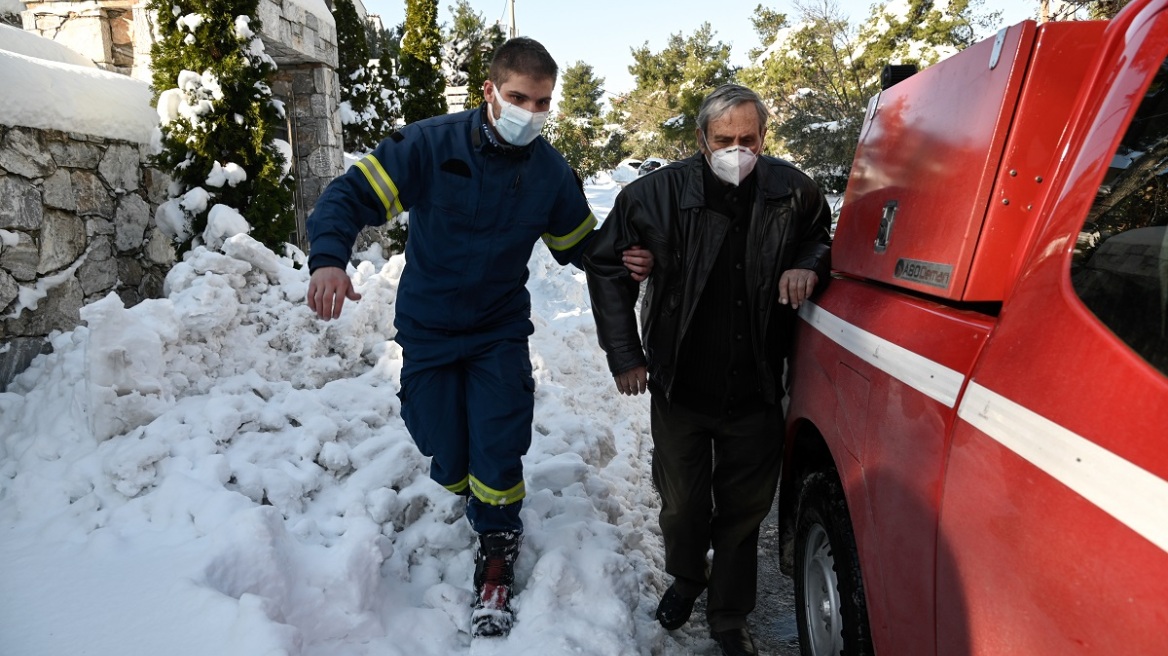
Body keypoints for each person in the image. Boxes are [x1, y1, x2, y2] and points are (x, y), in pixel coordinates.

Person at [304, 37, 652, 638]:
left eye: (542, 103)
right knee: (440, 439)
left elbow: (581, 248)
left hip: (497, 330)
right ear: (489, 92)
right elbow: (349, 194)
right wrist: (329, 257)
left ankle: (496, 547)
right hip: (429, 327)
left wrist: (627, 258)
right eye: (519, 98)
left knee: (498, 440)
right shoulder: (430, 144)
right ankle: (472, 490)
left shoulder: (548, 172)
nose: (531, 113)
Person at [583, 84, 832, 656]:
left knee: (745, 513)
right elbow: (605, 265)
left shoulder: (793, 191)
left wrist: (806, 263)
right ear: (701, 139)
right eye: (725, 140)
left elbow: (822, 238)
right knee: (683, 505)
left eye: (748, 139)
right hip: (681, 383)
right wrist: (625, 355)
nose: (737, 150)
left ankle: (728, 614)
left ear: (764, 137)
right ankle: (688, 577)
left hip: (757, 385)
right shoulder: (655, 194)